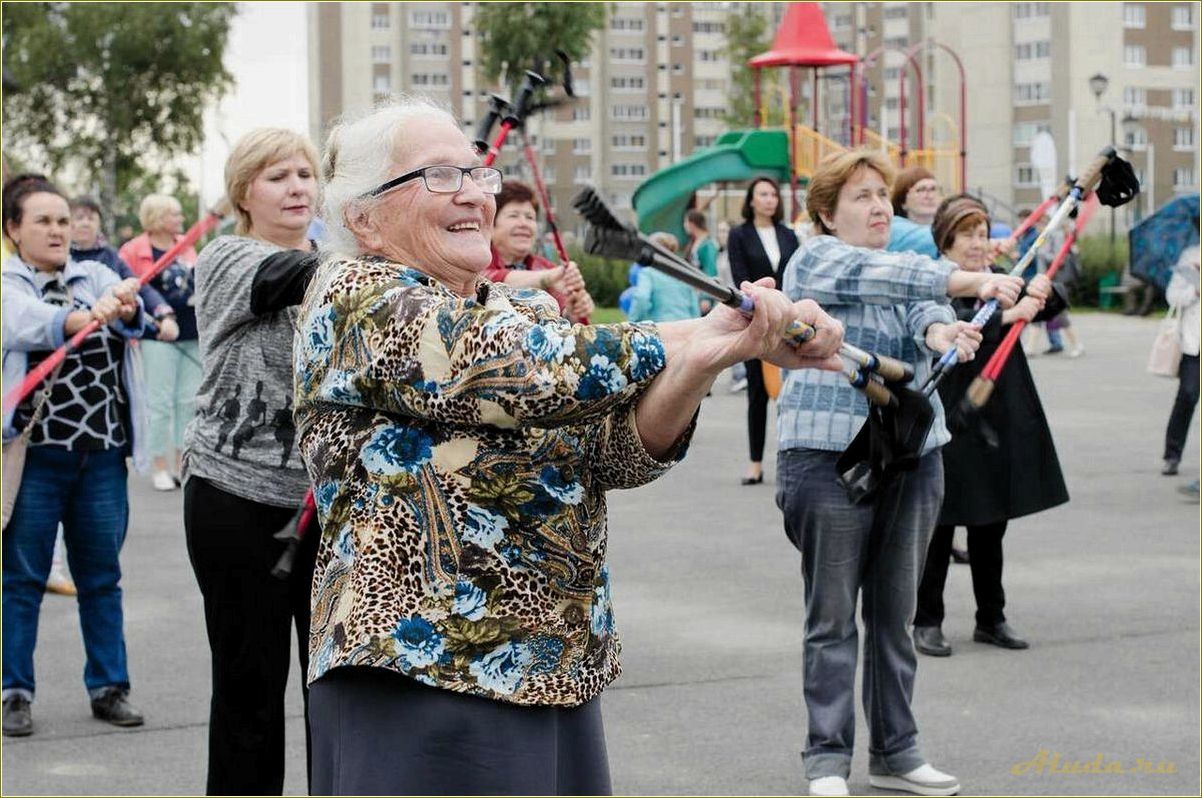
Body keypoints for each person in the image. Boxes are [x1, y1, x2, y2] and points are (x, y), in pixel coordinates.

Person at [293, 98, 843, 796]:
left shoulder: (517, 308)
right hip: (419, 676)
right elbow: (516, 368)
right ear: (362, 219)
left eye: (475, 173)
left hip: (551, 666)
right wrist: (705, 333)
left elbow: (613, 452)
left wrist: (714, 355)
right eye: (436, 176)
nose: (470, 191)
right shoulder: (352, 297)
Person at [775, 149, 1030, 798]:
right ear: (827, 214)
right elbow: (885, 277)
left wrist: (944, 329)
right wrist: (967, 283)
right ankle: (827, 762)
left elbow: (916, 307)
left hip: (913, 457)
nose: (880, 205)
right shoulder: (816, 259)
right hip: (827, 459)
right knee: (832, 619)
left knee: (896, 615)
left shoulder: (899, 267)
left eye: (882, 195)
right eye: (861, 196)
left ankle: (897, 753)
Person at [181, 128, 323, 794]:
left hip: (326, 506)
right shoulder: (228, 258)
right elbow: (299, 277)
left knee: (339, 698)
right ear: (244, 193)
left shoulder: (345, 264)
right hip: (235, 500)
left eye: (305, 173)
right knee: (249, 695)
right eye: (277, 176)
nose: (297, 186)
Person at [2, 176, 149, 738]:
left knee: (102, 577)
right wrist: (80, 317)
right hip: (34, 458)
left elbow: (136, 318)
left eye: (63, 220)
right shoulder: (8, 284)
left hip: (103, 457)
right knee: (21, 579)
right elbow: (19, 322)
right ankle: (15, 692)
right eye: (43, 221)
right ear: (14, 230)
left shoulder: (97, 275)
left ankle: (110, 687)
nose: (58, 230)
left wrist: (128, 303)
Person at [912, 195, 1068, 660]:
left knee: (991, 519)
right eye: (969, 235)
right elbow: (958, 326)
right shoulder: (935, 283)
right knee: (940, 523)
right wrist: (1007, 315)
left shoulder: (1002, 279)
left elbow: (1044, 309)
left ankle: (991, 617)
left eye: (984, 233)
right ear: (947, 241)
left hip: (998, 409)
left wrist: (1044, 290)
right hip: (950, 409)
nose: (980, 244)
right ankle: (927, 619)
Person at [119, 194, 200, 490]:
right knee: (160, 402)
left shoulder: (185, 245)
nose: (180, 219)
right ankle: (159, 465)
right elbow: (132, 291)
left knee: (188, 401)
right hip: (158, 336)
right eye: (174, 214)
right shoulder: (133, 250)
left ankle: (181, 462)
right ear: (157, 217)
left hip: (192, 332)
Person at [726, 177, 799, 485]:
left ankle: (790, 458)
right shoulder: (739, 235)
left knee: (790, 393)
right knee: (757, 392)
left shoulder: (789, 235)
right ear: (752, 200)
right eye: (763, 194)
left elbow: (795, 276)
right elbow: (740, 278)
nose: (770, 199)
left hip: (789, 321)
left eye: (773, 194)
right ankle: (755, 462)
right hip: (756, 321)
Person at [485, 178, 595, 323]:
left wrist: (573, 312)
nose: (524, 224)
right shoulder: (477, 263)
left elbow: (568, 329)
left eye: (530, 217)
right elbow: (491, 283)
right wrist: (547, 278)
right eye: (514, 216)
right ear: (491, 225)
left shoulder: (547, 268)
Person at [1161, 240, 1200, 477]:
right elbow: (1172, 296)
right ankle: (1172, 455)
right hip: (1193, 343)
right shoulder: (1189, 256)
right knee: (1187, 396)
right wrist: (1195, 290)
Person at [626, 232, 702, 322]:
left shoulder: (648, 272)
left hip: (662, 328)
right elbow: (695, 307)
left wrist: (632, 321)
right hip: (686, 326)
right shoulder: (684, 273)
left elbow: (641, 298)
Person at [886, 166, 941, 258]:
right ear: (903, 202)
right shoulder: (894, 228)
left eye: (933, 189)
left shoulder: (944, 226)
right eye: (921, 190)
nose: (929, 196)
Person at [684, 210, 719, 314]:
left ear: (692, 223)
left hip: (703, 293)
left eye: (685, 222)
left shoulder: (708, 244)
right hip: (694, 291)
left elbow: (710, 270)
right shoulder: (695, 242)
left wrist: (706, 297)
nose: (684, 226)